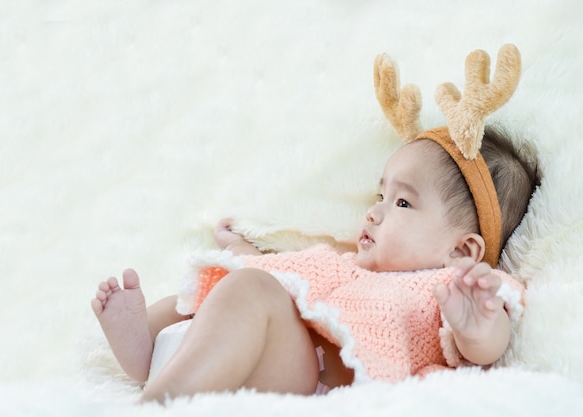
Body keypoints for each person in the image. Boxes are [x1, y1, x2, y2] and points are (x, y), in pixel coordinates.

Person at [91, 45, 541, 404]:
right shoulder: (342, 265)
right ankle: (148, 349)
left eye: (403, 202)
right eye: (379, 195)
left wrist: (477, 326)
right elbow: (291, 271)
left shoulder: (461, 292)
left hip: (307, 380)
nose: (374, 211)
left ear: (463, 250)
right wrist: (242, 254)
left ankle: (161, 398)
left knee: (251, 292)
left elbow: (487, 347)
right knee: (204, 296)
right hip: (226, 354)